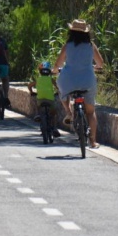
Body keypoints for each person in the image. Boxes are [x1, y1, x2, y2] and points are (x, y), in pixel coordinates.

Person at [52, 19, 104, 149]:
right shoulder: (90, 46)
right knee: (91, 112)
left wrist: (55, 70)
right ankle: (92, 142)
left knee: (62, 90)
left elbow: (58, 64)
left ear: (71, 32)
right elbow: (101, 63)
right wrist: (95, 67)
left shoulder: (68, 45)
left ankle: (69, 112)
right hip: (87, 80)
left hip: (69, 80)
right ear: (86, 33)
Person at [27, 62, 61, 138]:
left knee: (39, 105)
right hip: (50, 99)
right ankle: (55, 128)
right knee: (54, 113)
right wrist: (57, 92)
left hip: (40, 99)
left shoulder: (38, 80)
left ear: (40, 71)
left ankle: (38, 114)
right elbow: (58, 87)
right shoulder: (51, 79)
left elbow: (29, 86)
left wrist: (32, 92)